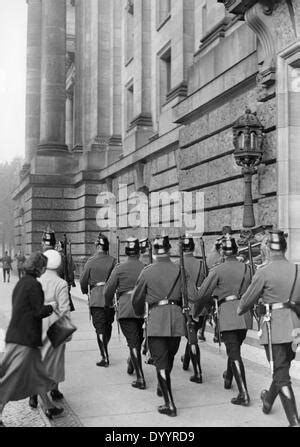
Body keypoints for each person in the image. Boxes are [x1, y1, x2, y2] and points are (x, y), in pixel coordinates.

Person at [237, 230, 300, 427]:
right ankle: (268, 401)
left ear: (268, 249)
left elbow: (248, 299)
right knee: (282, 368)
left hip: (274, 327)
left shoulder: (263, 271)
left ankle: (294, 422)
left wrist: (240, 309)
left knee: (281, 374)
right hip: (294, 327)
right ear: (285, 247)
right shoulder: (298, 270)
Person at [131, 235, 199, 417]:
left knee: (161, 361)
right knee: (168, 358)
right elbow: (193, 295)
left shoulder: (147, 271)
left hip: (156, 319)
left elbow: (136, 299)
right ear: (169, 250)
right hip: (176, 319)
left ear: (153, 252)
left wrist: (139, 313)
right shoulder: (180, 270)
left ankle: (169, 404)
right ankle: (164, 386)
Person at [0, 252, 64, 426]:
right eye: (43, 266)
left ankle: (48, 406)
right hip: (25, 340)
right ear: (40, 268)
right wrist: (51, 307)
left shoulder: (21, 283)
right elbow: (37, 311)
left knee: (38, 376)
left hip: (19, 336)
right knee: (11, 378)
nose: (44, 270)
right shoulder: (34, 285)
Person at [194, 237, 252, 406]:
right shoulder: (248, 268)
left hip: (227, 313)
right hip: (244, 313)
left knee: (233, 351)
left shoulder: (218, 270)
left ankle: (243, 393)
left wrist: (197, 312)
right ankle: (228, 377)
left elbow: (203, 294)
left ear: (223, 253)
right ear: (236, 251)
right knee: (234, 347)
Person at [28, 249, 71, 409]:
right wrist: (67, 331)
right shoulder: (61, 283)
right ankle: (54, 389)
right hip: (54, 322)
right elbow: (64, 309)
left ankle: (33, 395)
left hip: (36, 322)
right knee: (55, 360)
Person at [104, 238, 146, 389]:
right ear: (139, 252)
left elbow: (108, 291)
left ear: (126, 252)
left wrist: (109, 303)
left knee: (134, 341)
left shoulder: (119, 268)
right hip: (142, 308)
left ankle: (140, 377)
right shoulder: (146, 267)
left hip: (126, 308)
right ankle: (132, 360)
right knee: (137, 339)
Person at [80, 233, 116, 367]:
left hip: (96, 298)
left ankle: (104, 356)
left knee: (99, 328)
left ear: (97, 246)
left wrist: (85, 291)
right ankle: (104, 348)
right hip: (110, 298)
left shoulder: (91, 261)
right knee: (108, 325)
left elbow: (83, 280)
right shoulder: (113, 261)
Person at [176, 236, 206, 383]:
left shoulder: (177, 264)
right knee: (191, 336)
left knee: (192, 339)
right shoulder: (201, 264)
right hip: (200, 307)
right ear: (193, 248)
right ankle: (187, 361)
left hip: (184, 306)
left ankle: (198, 372)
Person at [57, 239, 76, 312]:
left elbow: (71, 268)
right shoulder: (66, 254)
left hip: (64, 277)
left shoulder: (59, 255)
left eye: (58, 246)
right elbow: (72, 268)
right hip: (66, 278)